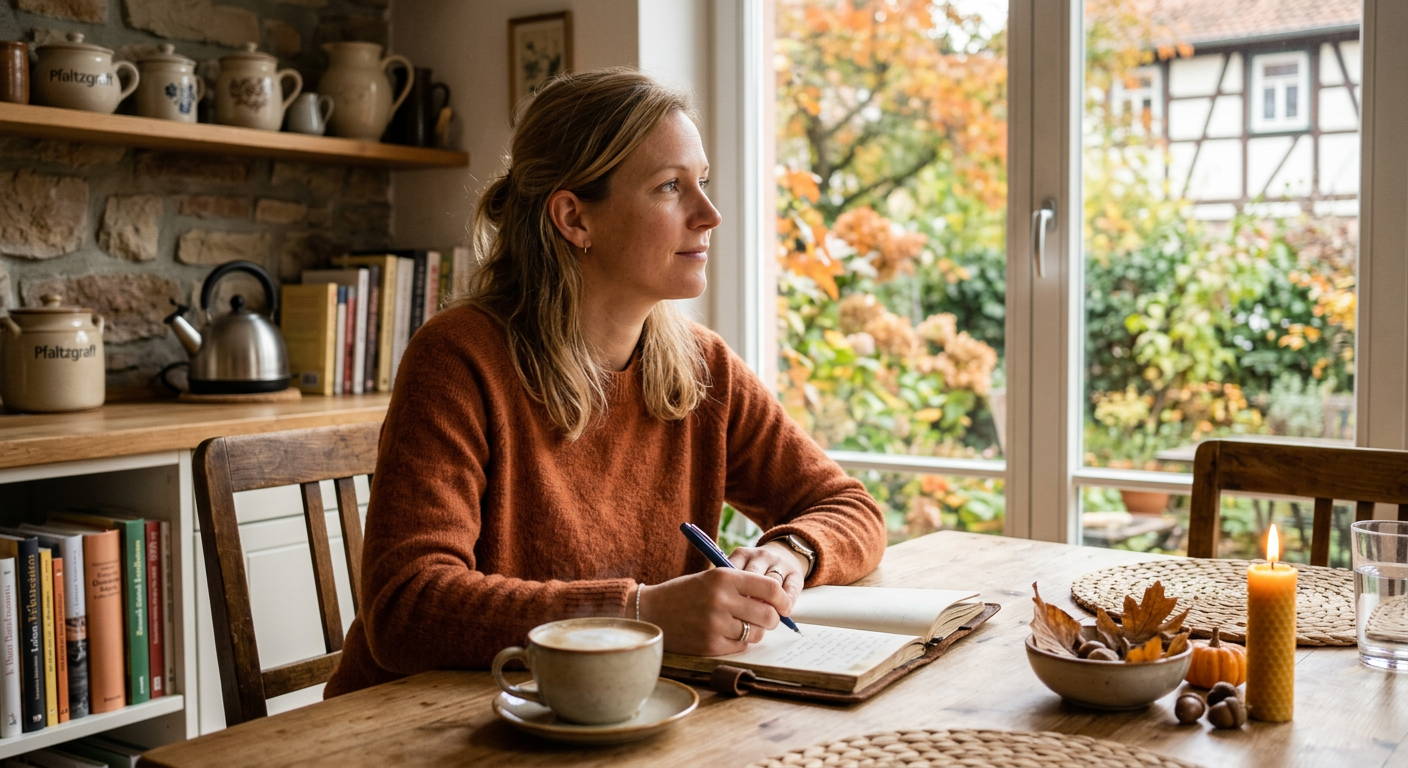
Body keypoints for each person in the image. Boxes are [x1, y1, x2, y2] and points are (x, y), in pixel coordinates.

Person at [325, 68, 886, 697]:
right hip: (417, 729)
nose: (710, 215)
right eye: (671, 187)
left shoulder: (702, 368)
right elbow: (408, 609)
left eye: (701, 182)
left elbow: (851, 508)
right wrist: (638, 613)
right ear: (574, 217)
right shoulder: (459, 358)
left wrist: (792, 554)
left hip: (608, 712)